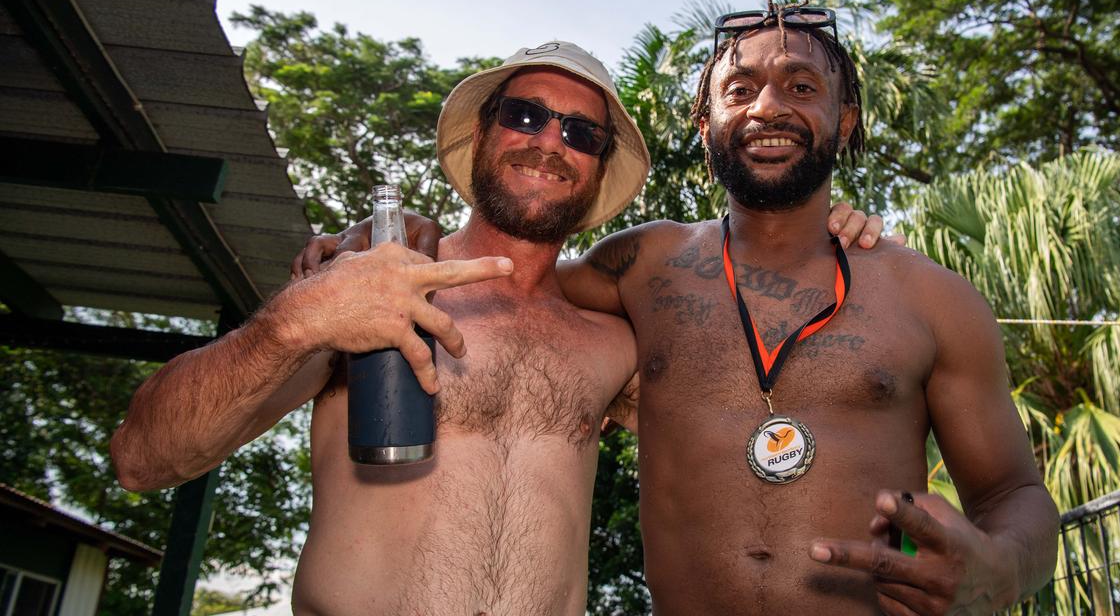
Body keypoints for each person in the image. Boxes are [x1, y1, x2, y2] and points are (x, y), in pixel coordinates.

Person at [312, 1, 1059, 613]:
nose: (769, 106)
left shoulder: (930, 297)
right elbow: (509, 277)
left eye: (802, 86)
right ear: (706, 125)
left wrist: (1002, 566)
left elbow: (1013, 493)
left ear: (847, 119)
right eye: (739, 90)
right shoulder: (645, 267)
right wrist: (398, 244)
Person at [111, 40, 888, 615]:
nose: (550, 142)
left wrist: (817, 232)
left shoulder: (613, 343)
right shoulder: (369, 294)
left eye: (581, 134)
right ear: (481, 134)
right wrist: (292, 324)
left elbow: (778, 446)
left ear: (596, 171)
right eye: (526, 116)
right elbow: (143, 457)